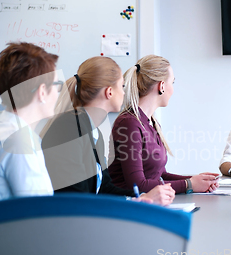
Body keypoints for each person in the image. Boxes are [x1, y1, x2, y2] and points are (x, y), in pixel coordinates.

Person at [42, 56, 175, 205]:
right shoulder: (68, 128)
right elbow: (76, 198)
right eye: (122, 86)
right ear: (109, 92)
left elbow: (104, 188)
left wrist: (141, 198)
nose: (125, 93)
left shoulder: (93, 132)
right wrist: (137, 202)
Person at [108, 55, 219, 194]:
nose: (172, 88)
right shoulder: (129, 124)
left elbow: (159, 175)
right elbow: (138, 185)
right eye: (172, 82)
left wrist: (196, 180)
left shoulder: (151, 123)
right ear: (161, 86)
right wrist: (188, 184)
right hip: (126, 205)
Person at [0, 42, 60, 205]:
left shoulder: (10, 130)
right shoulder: (17, 141)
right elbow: (38, 211)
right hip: (13, 229)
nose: (58, 93)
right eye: (56, 86)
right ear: (41, 92)